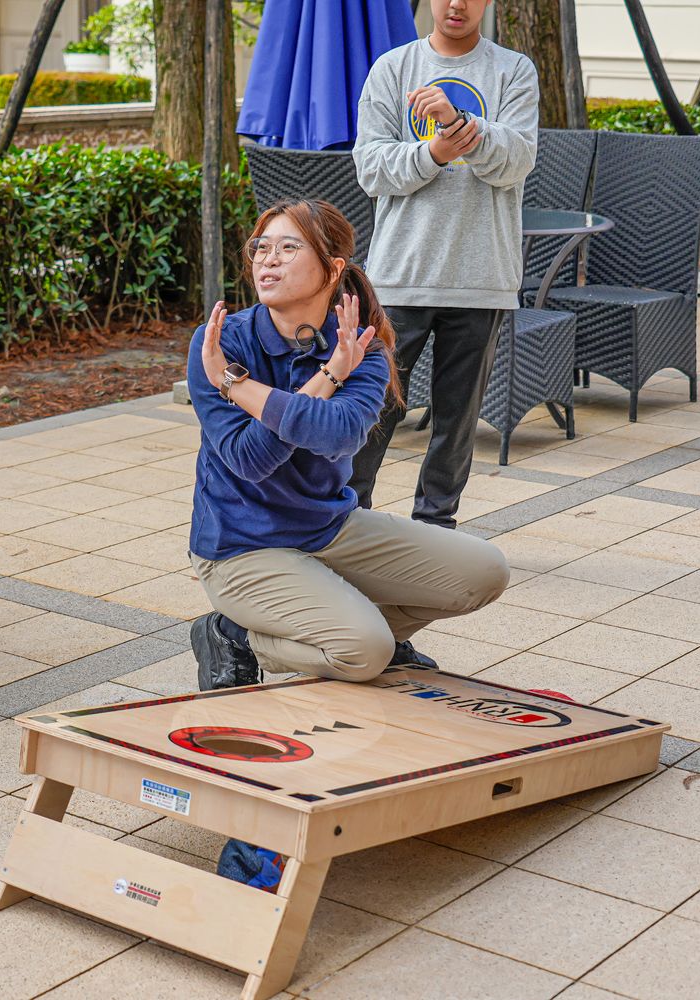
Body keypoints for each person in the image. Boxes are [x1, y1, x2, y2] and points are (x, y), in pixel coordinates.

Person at [187, 198, 510, 691]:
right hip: (241, 546)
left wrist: (240, 388)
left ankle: (339, 619)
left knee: (485, 572)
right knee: (365, 653)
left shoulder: (365, 346)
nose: (267, 259)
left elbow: (339, 434)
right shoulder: (220, 342)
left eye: (288, 247)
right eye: (261, 247)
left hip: (330, 527)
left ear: (332, 267)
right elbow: (250, 460)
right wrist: (328, 377)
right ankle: (235, 636)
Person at [348, 0, 540, 529]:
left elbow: (518, 160)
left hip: (482, 278)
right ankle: (346, 521)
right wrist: (433, 152)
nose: (458, 4)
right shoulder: (393, 68)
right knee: (374, 408)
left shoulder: (513, 70)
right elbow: (370, 168)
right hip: (400, 276)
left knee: (457, 419)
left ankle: (436, 528)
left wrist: (460, 125)